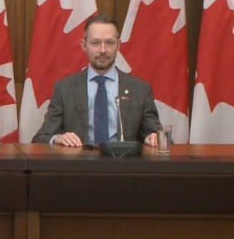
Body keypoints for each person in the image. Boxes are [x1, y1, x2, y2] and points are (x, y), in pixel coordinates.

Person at [32, 13, 160, 147]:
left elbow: (158, 135)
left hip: (123, 164)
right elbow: (41, 138)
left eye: (109, 43)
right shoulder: (65, 88)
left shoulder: (139, 89)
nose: (103, 50)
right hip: (80, 164)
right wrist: (57, 138)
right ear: (84, 45)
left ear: (119, 45)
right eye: (96, 43)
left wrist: (154, 137)